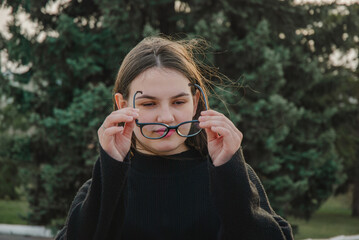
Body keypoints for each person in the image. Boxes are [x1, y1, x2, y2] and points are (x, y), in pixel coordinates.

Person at [55, 36, 294, 240]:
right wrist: (110, 166)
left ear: (195, 103)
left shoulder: (229, 175)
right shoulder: (104, 185)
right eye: (149, 103)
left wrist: (229, 170)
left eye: (179, 102)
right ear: (122, 105)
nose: (167, 117)